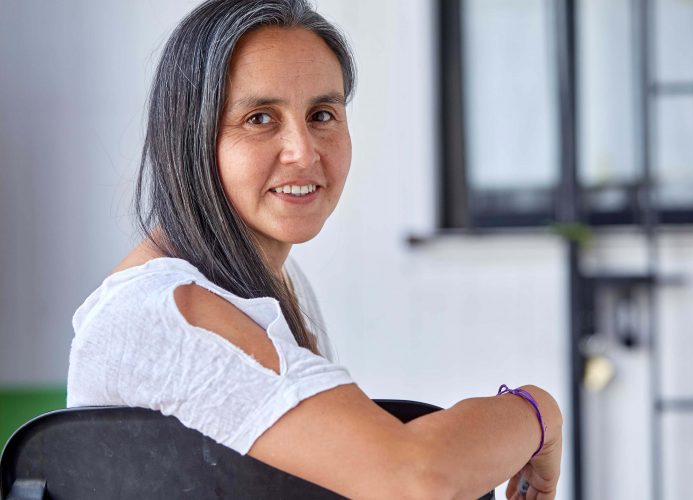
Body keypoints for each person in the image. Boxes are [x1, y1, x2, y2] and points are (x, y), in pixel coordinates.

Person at [66, 0, 563, 498]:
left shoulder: (272, 283)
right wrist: (539, 411)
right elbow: (416, 481)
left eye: (322, 114)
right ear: (189, 137)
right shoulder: (160, 315)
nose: (303, 152)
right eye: (260, 118)